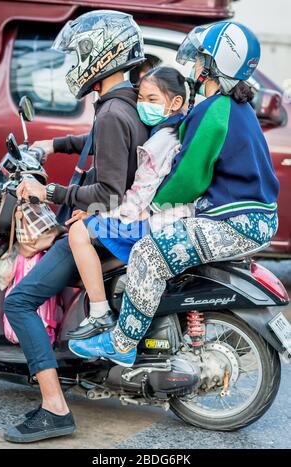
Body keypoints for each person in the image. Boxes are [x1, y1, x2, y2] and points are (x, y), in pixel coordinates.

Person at [68, 21, 280, 368]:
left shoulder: (216, 110)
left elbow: (188, 177)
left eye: (201, 59)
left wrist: (148, 208)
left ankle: (122, 342)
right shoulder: (233, 107)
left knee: (148, 254)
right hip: (248, 215)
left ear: (215, 64)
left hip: (236, 221)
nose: (195, 66)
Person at [3, 10, 148, 444]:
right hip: (121, 225)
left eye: (79, 54)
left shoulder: (110, 114)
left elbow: (109, 193)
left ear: (103, 54)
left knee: (20, 301)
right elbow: (102, 145)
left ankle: (54, 408)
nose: (74, 64)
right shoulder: (128, 103)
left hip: (103, 226)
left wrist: (50, 194)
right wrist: (52, 144)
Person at [65, 67, 194, 346]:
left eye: (151, 98)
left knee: (79, 232)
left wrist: (99, 212)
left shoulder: (159, 142)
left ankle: (99, 312)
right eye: (141, 99)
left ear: (175, 103)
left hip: (156, 220)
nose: (143, 106)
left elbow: (138, 196)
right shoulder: (177, 130)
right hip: (174, 216)